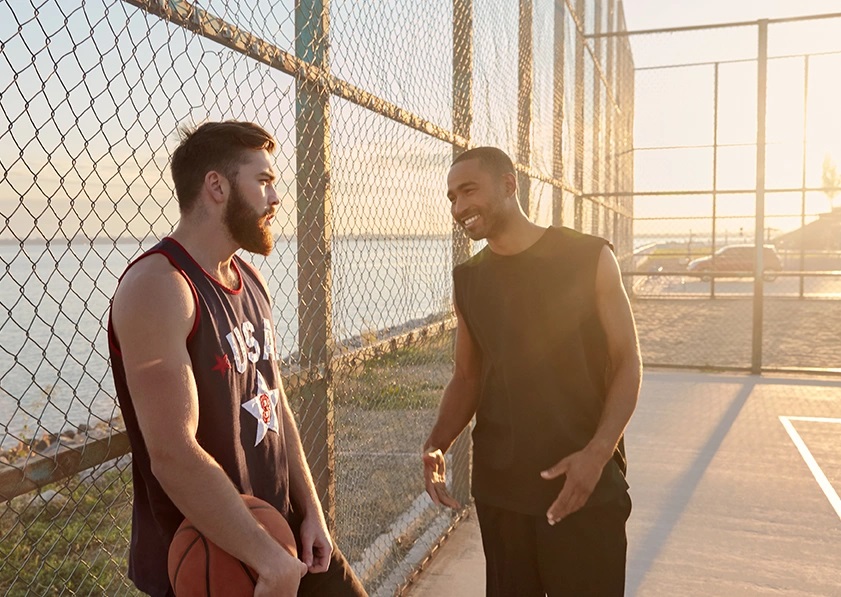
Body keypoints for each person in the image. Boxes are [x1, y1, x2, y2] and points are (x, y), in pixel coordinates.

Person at [109, 121, 367, 597]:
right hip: (213, 559)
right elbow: (171, 453)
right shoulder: (160, 287)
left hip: (283, 539)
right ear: (216, 186)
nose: (276, 198)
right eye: (265, 181)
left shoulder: (250, 278)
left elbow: (274, 401)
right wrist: (265, 561)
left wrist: (311, 511)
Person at [422, 147, 642, 596]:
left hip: (584, 485)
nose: (459, 207)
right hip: (502, 492)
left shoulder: (590, 257)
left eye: (468, 191)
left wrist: (598, 454)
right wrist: (436, 444)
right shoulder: (469, 279)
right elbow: (467, 378)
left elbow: (627, 361)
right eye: (451, 198)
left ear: (509, 185)